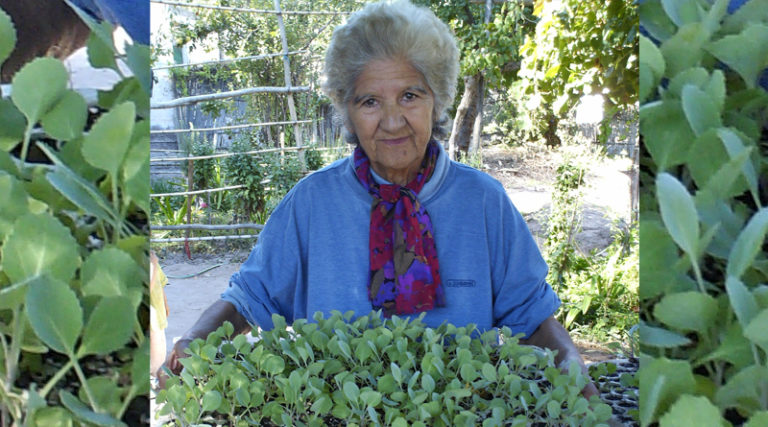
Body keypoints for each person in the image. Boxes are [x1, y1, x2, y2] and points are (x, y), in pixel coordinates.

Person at [159, 0, 599, 399]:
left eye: (410, 95)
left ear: (438, 99)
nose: (392, 121)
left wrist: (573, 364)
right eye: (369, 101)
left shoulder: (483, 203)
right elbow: (250, 298)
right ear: (346, 109)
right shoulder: (312, 203)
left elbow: (530, 314)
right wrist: (195, 341)